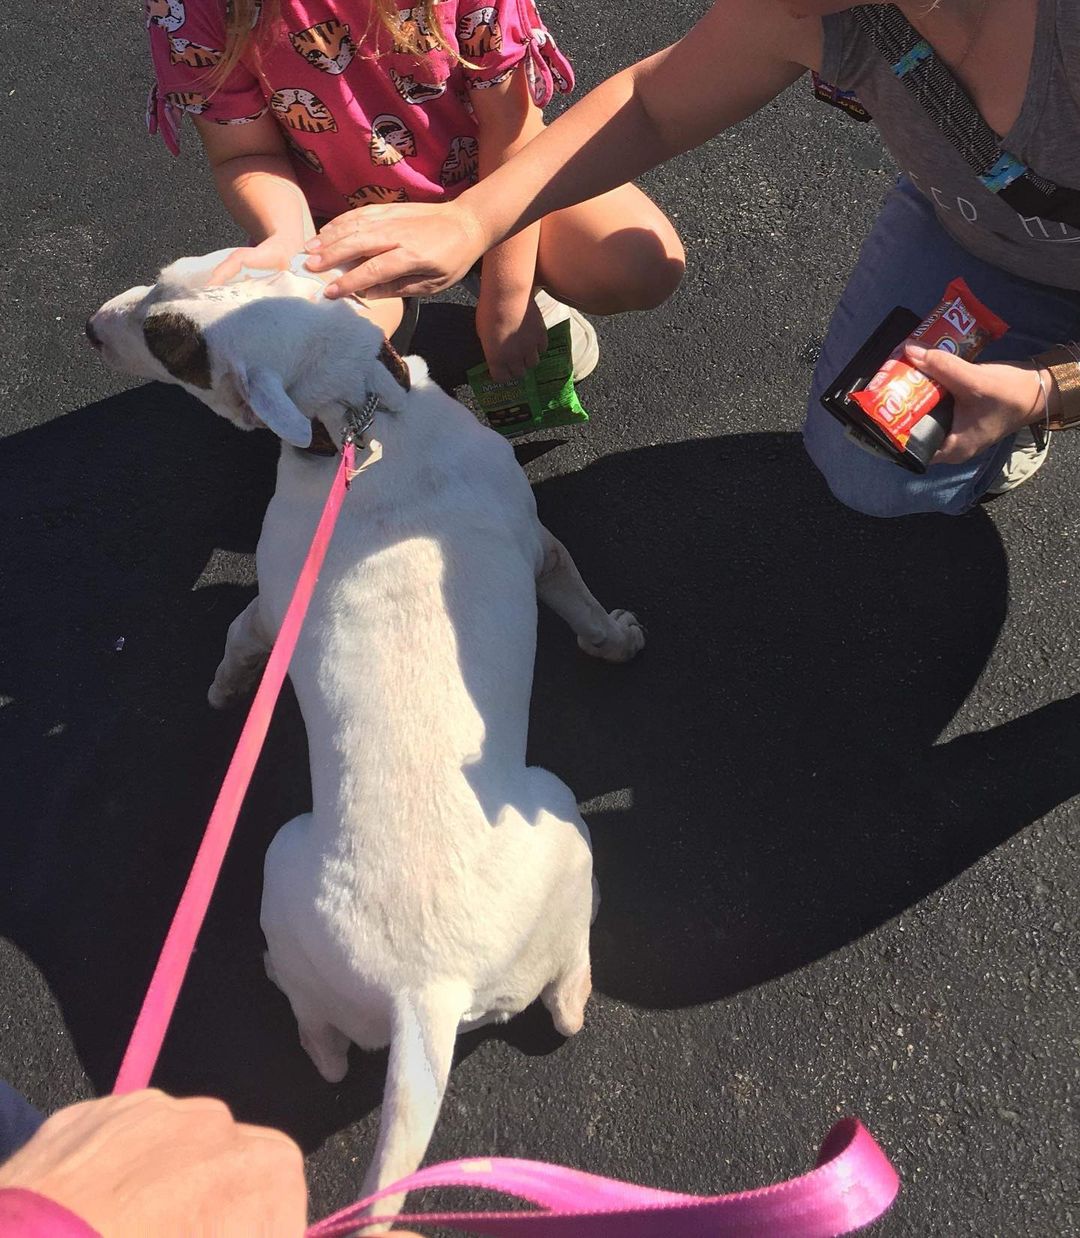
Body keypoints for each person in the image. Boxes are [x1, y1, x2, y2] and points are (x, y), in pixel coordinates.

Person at [304, 0, 1080, 514]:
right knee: (869, 467)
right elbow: (652, 104)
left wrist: (1047, 389)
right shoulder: (821, 8)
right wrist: (473, 220)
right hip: (974, 226)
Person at [146, 0, 684, 382]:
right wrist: (290, 242)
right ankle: (392, 313)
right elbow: (245, 153)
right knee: (328, 370)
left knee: (637, 262)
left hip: (489, 186)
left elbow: (511, 129)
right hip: (345, 221)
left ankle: (505, 273)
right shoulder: (200, 8)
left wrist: (507, 299)